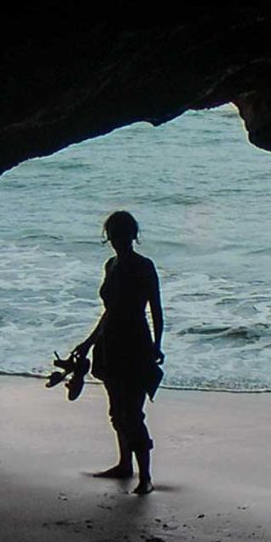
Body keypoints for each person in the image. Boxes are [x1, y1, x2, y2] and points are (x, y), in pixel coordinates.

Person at [72, 211, 164, 494]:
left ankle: (145, 477)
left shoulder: (144, 266)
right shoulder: (110, 265)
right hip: (109, 342)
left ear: (132, 236)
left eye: (120, 234)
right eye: (112, 234)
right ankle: (125, 464)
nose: (116, 240)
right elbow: (108, 312)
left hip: (136, 341)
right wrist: (87, 343)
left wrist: (157, 346)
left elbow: (156, 310)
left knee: (132, 412)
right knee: (116, 410)